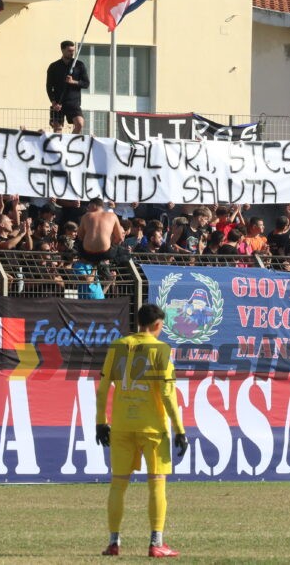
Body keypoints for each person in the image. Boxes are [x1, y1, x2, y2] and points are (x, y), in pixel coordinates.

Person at [95, 303, 188, 558]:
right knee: (157, 484)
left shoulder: (117, 346)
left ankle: (114, 543)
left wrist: (101, 422)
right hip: (152, 427)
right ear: (158, 325)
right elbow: (168, 394)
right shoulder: (161, 349)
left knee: (118, 485)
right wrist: (180, 429)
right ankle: (156, 542)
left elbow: (103, 388)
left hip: (122, 425)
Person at [46, 40, 89, 134]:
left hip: (73, 103)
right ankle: (58, 147)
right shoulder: (53, 66)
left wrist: (73, 81)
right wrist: (53, 102)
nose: (72, 53)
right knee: (57, 130)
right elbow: (49, 87)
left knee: (79, 123)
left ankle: (70, 143)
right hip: (58, 103)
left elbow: (86, 84)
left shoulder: (79, 65)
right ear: (62, 50)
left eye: (73, 51)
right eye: (69, 51)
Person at [77, 197, 128, 266]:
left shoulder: (86, 216)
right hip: (105, 253)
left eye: (89, 207)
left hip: (87, 254)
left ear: (94, 205)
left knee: (79, 244)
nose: (87, 209)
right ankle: (108, 269)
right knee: (124, 251)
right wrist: (110, 244)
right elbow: (119, 238)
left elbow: (80, 236)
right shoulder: (112, 216)